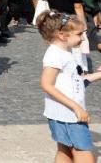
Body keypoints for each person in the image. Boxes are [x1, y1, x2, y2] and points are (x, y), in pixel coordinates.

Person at [37, 11, 96, 163]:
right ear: (62, 35)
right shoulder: (56, 55)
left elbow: (75, 81)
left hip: (62, 114)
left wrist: (96, 75)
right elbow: (46, 84)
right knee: (83, 154)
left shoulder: (65, 51)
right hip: (69, 115)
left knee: (65, 151)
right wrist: (76, 107)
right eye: (79, 34)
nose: (83, 38)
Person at [45, 0, 89, 68]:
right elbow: (78, 7)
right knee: (74, 45)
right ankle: (78, 68)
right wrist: (82, 23)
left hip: (55, 19)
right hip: (70, 19)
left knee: (58, 43)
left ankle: (60, 66)